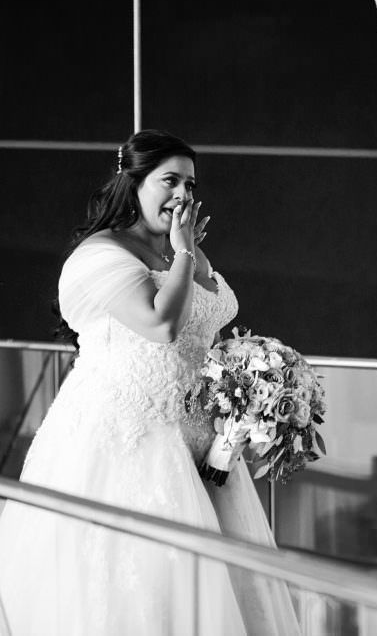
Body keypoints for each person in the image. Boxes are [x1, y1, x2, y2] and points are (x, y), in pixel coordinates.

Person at [0, 130, 299, 634]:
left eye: (190, 183)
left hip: (201, 448)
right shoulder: (101, 254)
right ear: (133, 182)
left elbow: (205, 328)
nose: (183, 194)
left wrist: (246, 385)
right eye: (170, 181)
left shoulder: (182, 251)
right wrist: (185, 256)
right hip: (128, 442)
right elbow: (161, 326)